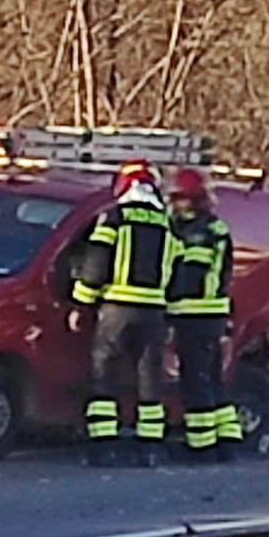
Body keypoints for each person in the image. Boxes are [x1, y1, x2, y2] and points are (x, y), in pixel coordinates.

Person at [69, 160, 179, 466]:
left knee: (104, 372)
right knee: (148, 380)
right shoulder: (165, 223)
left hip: (117, 310)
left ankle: (105, 445)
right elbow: (175, 272)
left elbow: (96, 265)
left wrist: (82, 304)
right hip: (154, 313)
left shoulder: (114, 218)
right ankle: (150, 448)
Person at [166, 168, 239, 463]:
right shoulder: (217, 229)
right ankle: (227, 438)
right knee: (211, 378)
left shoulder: (196, 235)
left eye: (179, 200)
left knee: (195, 380)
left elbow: (185, 277)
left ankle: (201, 446)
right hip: (213, 315)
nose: (175, 206)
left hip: (193, 314)